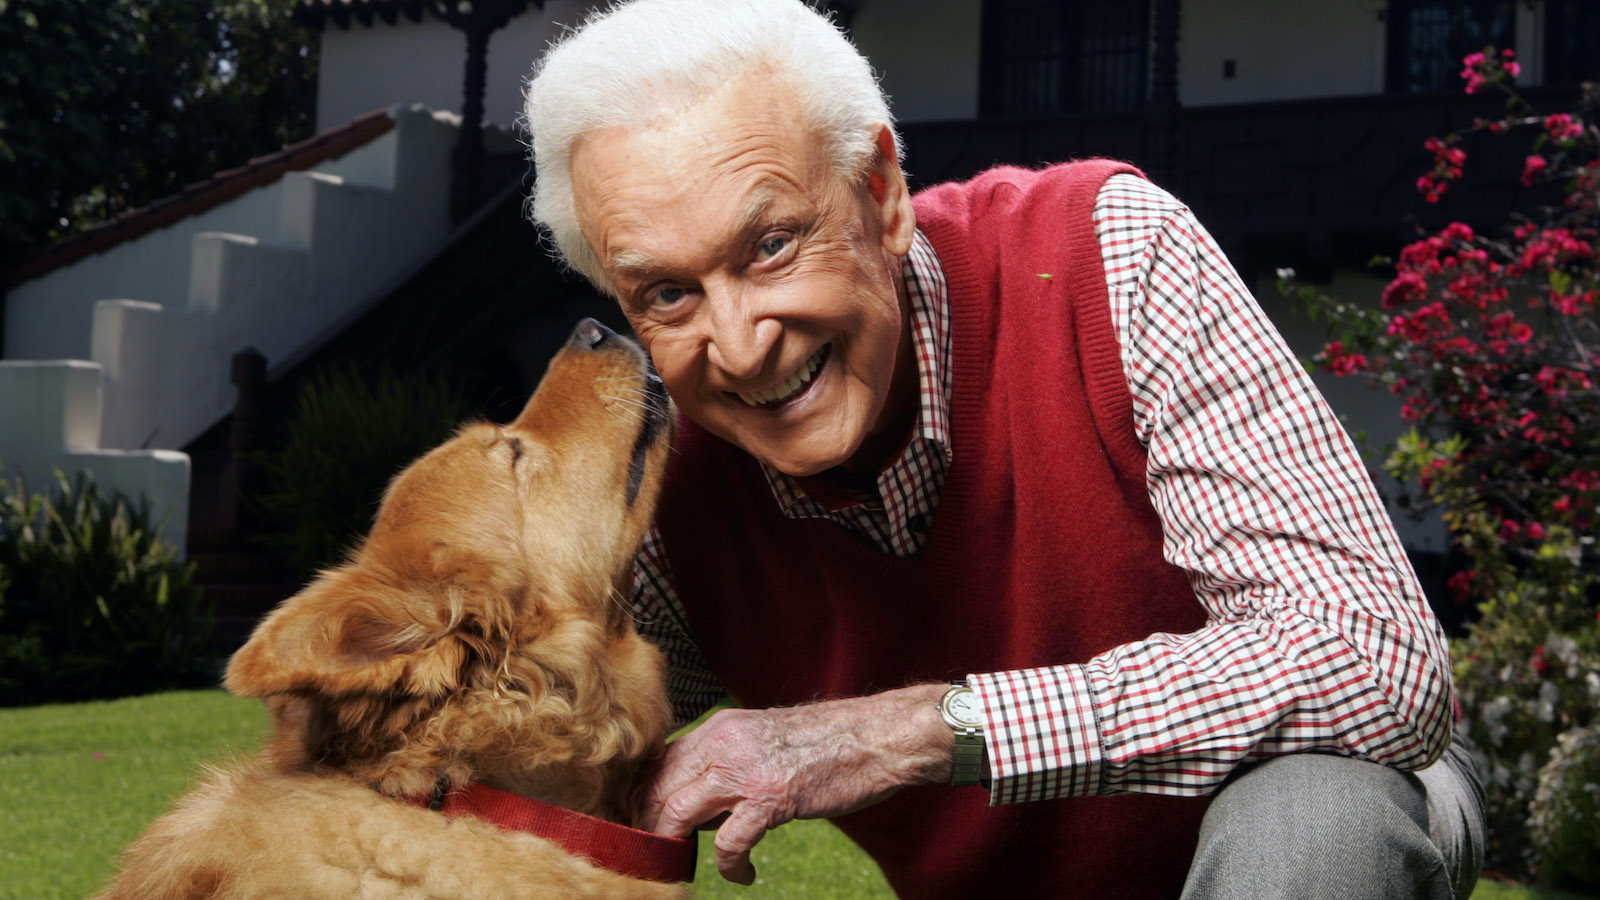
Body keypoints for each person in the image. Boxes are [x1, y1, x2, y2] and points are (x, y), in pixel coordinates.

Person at [521, 1, 1485, 896]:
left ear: (883, 194)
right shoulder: (678, 489)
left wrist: (911, 730)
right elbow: (536, 744)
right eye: (667, 295)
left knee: (1314, 818)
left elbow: (1376, 664)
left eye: (771, 245)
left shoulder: (1106, 254)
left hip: (1318, 797)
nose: (737, 347)